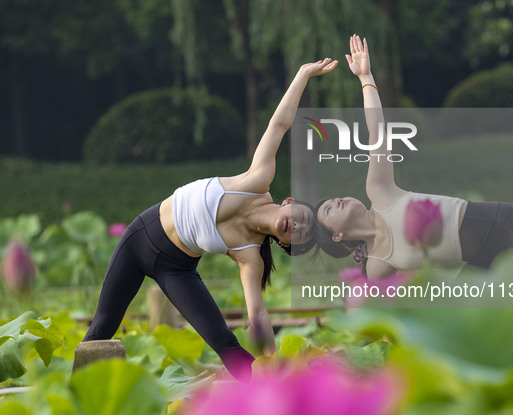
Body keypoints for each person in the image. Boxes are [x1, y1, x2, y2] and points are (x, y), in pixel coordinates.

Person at [81, 57, 339, 381]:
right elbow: (279, 125)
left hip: (176, 269)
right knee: (101, 328)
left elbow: (257, 314)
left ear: (286, 244)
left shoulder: (250, 256)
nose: (297, 225)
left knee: (224, 341)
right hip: (139, 239)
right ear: (290, 202)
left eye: (300, 234)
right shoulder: (258, 181)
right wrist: (302, 75)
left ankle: (273, 393)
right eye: (300, 217)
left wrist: (272, 360)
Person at [312, 35, 513, 278]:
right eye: (330, 210)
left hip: (511, 228)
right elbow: (375, 300)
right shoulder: (377, 265)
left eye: (334, 199)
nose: (337, 201)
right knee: (463, 313)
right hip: (482, 260)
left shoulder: (379, 191)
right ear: (337, 236)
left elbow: (377, 133)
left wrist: (366, 78)